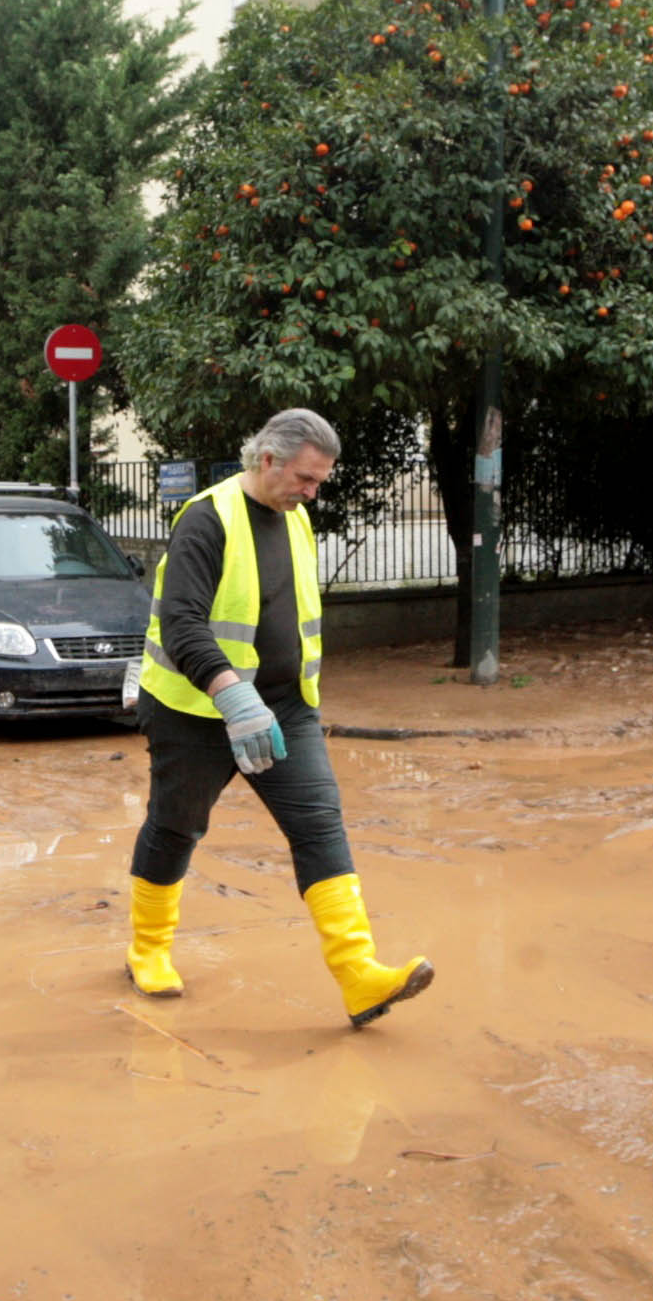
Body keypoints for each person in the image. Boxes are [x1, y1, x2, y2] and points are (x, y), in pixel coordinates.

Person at [128, 407, 432, 1029]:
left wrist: (281, 698)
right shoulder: (205, 521)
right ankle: (148, 951)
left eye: (319, 481)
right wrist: (234, 696)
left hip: (285, 709)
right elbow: (182, 624)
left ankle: (359, 977)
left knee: (320, 825)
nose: (313, 492)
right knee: (176, 826)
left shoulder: (297, 520)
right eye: (305, 478)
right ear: (266, 460)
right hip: (195, 710)